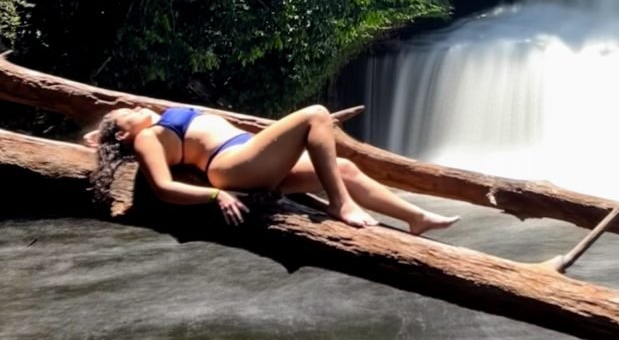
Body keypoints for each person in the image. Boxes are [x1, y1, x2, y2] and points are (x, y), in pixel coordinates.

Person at [84, 104, 460, 233]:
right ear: (122, 134)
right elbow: (164, 187)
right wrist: (215, 195)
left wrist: (99, 136)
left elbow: (110, 131)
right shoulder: (146, 138)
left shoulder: (147, 128)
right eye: (125, 114)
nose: (131, 106)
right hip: (232, 167)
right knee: (316, 115)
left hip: (247, 155)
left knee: (341, 166)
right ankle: (341, 204)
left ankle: (415, 218)